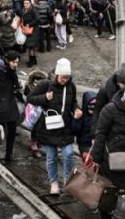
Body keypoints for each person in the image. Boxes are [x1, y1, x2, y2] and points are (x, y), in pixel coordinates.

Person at [26, 58, 83, 194]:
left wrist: (76, 109)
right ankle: (54, 183)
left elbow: (73, 101)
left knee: (68, 154)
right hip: (48, 127)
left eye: (67, 77)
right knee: (51, 157)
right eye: (63, 77)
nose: (65, 80)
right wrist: (45, 98)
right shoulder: (46, 85)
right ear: (57, 74)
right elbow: (30, 98)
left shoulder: (71, 86)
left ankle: (67, 181)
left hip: (65, 127)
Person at [92, 81, 125, 219]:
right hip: (111, 160)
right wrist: (96, 158)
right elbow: (100, 134)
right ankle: (106, 216)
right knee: (109, 193)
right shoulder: (109, 110)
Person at [92, 63, 125, 134]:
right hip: (110, 128)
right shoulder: (105, 90)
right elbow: (97, 112)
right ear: (119, 82)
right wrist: (95, 134)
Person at [24, 70, 48, 158]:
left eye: (39, 81)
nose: (37, 83)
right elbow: (28, 99)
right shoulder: (29, 88)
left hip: (42, 110)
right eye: (35, 81)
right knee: (35, 127)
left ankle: (37, 142)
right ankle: (34, 143)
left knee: (41, 128)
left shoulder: (45, 88)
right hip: (32, 111)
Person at [71, 91, 97, 156]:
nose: (93, 107)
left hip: (97, 143)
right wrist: (75, 120)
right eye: (91, 104)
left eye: (95, 104)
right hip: (84, 144)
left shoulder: (100, 115)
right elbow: (75, 131)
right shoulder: (81, 116)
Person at [21, 0, 40, 67]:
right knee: (30, 46)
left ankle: (31, 61)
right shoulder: (24, 10)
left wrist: (30, 24)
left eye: (27, 3)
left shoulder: (33, 10)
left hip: (33, 30)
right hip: (28, 30)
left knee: (31, 46)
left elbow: (38, 19)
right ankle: (33, 60)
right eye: (24, 3)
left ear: (30, 3)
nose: (26, 4)